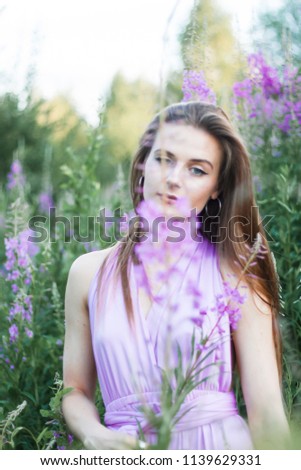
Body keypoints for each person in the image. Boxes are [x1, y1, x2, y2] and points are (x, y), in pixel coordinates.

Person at [62, 101, 290, 450]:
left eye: (197, 170)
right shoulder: (88, 272)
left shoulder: (236, 268)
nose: (172, 179)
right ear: (142, 163)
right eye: (163, 159)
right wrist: (95, 434)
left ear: (217, 187)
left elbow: (267, 413)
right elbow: (74, 389)